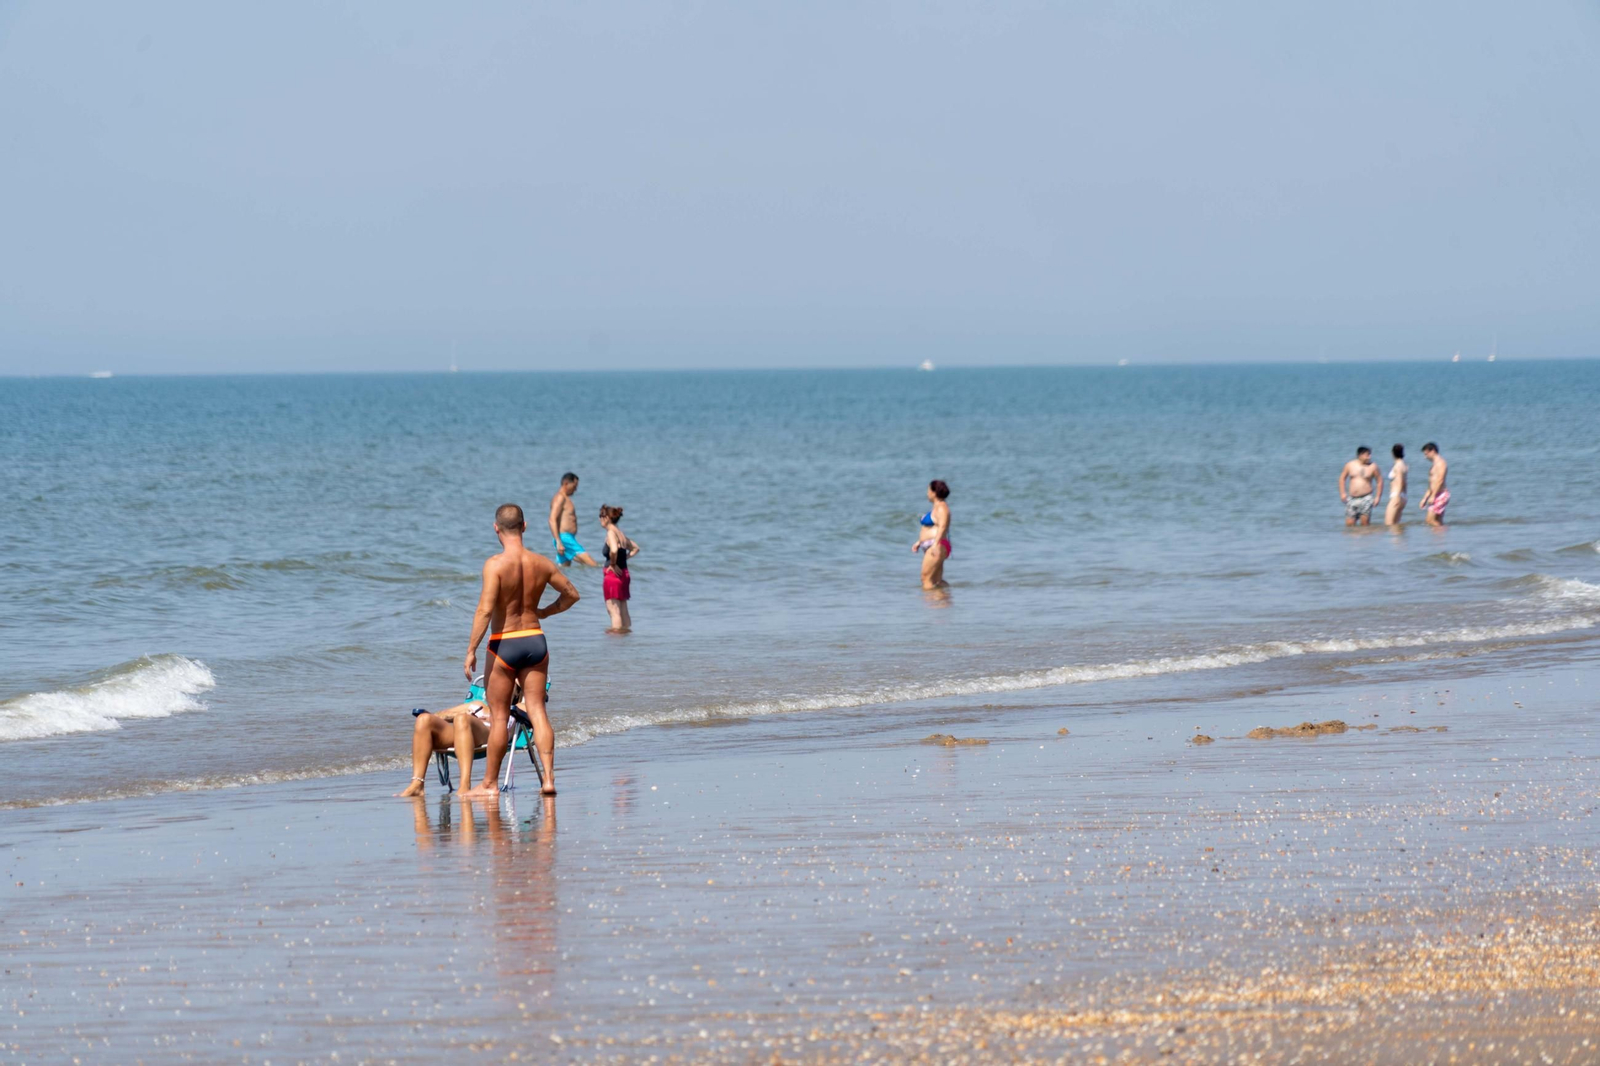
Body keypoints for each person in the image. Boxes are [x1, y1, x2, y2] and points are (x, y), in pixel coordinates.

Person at [462, 503, 579, 798]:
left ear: (496, 529)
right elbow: (572, 594)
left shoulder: (495, 565)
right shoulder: (542, 563)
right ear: (525, 527)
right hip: (535, 640)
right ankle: (549, 780)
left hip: (504, 642)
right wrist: (546, 612)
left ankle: (489, 784)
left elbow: (485, 610)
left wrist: (471, 650)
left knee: (500, 717)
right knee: (537, 710)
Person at [395, 675, 524, 798]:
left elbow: (533, 714)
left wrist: (489, 717)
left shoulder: (518, 707)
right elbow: (443, 714)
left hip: (490, 733)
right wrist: (441, 715)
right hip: (464, 731)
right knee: (424, 720)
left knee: (462, 718)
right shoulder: (478, 705)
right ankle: (417, 784)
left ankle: (464, 785)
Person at [598, 504, 640, 633]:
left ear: (606, 518)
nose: (600, 520)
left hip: (613, 576)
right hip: (624, 575)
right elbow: (635, 548)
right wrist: (624, 559)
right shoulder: (620, 534)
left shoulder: (611, 533)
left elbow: (614, 550)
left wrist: (613, 564)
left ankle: (616, 645)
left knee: (614, 611)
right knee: (623, 610)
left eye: (600, 516)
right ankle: (626, 640)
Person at [548, 472, 599, 567]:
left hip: (567, 538)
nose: (575, 490)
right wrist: (558, 541)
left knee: (563, 572)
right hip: (564, 539)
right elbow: (552, 519)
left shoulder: (565, 498)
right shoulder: (560, 498)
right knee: (594, 565)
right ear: (566, 483)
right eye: (574, 486)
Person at [913, 480, 952, 589]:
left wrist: (935, 544)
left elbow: (943, 526)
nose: (927, 493)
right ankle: (943, 601)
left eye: (928, 490)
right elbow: (931, 527)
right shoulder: (937, 507)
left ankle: (929, 604)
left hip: (936, 545)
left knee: (926, 578)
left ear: (934, 492)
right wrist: (919, 542)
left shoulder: (942, 507)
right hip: (934, 544)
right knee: (936, 581)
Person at [1338, 446, 1383, 527]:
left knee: (1364, 524)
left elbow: (1379, 481)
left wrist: (1378, 497)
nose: (1369, 457)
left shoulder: (1373, 466)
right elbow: (1342, 479)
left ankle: (1365, 539)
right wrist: (1342, 493)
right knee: (1349, 525)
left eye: (1370, 454)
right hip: (1352, 498)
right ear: (1360, 455)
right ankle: (1353, 539)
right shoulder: (1350, 465)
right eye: (1367, 455)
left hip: (1366, 498)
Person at [1418, 442, 1450, 526]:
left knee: (1430, 520)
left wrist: (1433, 496)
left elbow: (1440, 480)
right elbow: (1431, 484)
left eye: (1426, 454)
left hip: (1441, 494)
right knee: (1437, 520)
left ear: (1432, 451)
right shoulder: (1433, 466)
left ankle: (1443, 534)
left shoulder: (1441, 463)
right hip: (1435, 494)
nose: (1425, 457)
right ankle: (1441, 538)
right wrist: (1425, 498)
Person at [1385, 444, 1409, 526]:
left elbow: (1400, 481)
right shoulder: (1404, 465)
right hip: (1402, 495)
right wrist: (1404, 496)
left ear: (1392, 453)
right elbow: (1405, 482)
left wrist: (1397, 497)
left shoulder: (1398, 466)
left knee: (1389, 524)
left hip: (1396, 495)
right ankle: (1399, 538)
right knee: (1396, 525)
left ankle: (1394, 539)